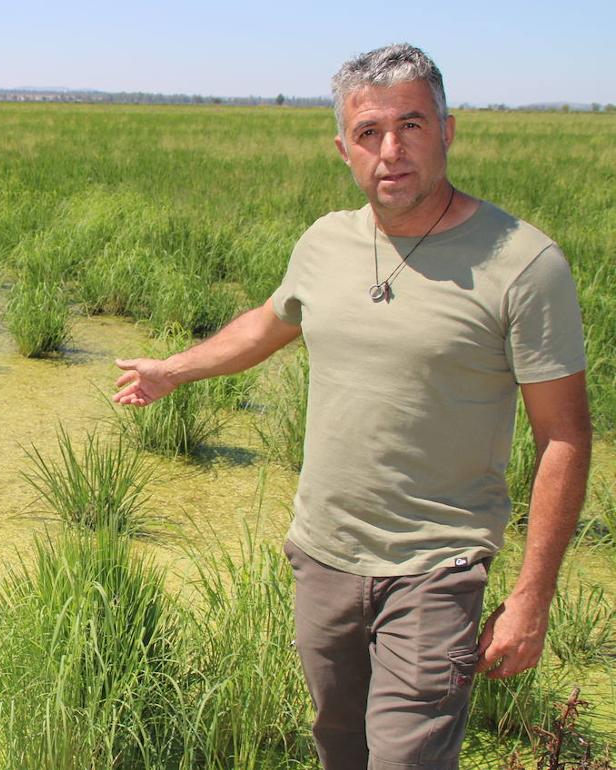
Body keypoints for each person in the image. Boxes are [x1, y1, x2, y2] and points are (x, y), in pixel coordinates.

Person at [112, 43, 591, 770]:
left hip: (436, 567)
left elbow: (565, 436)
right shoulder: (325, 241)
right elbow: (270, 321)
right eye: (369, 132)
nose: (390, 150)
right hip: (323, 558)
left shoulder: (523, 263)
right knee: (339, 749)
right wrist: (172, 370)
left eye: (411, 125)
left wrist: (532, 596)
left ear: (448, 131)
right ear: (344, 148)